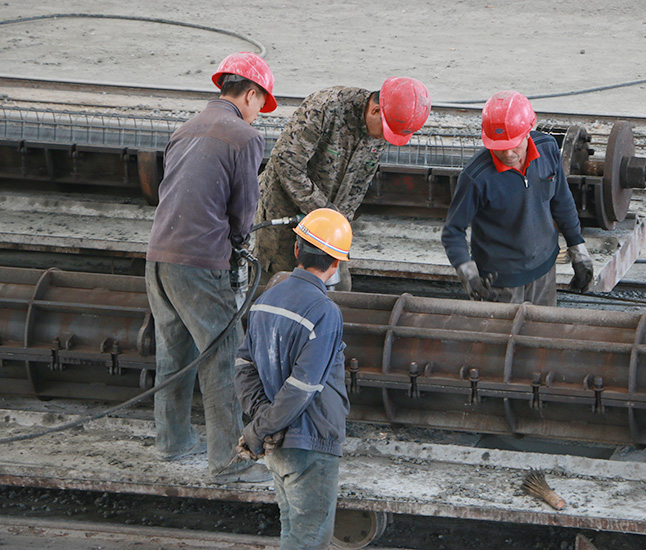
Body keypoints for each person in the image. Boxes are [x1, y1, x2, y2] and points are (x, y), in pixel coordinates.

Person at [144, 52, 277, 483]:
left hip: (159, 256)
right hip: (199, 263)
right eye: (261, 103)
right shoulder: (243, 136)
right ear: (251, 94)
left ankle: (173, 441)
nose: (259, 114)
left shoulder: (186, 128)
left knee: (174, 351)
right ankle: (228, 460)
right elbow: (243, 208)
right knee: (222, 356)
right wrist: (239, 242)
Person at [234, 208, 352, 549]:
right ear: (336, 265)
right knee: (308, 539)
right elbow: (303, 387)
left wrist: (262, 420)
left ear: (297, 250)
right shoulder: (324, 311)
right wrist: (262, 427)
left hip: (277, 444)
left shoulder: (265, 300)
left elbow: (244, 366)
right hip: (311, 443)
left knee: (293, 532)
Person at [253, 77, 431, 290]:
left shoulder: (381, 130)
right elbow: (286, 162)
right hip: (284, 216)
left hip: (328, 222)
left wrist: (339, 222)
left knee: (339, 288)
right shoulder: (325, 108)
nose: (386, 139)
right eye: (386, 132)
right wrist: (323, 210)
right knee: (276, 287)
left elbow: (360, 183)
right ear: (375, 111)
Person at [441, 90, 593, 306]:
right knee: (503, 338)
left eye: (515, 144)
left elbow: (561, 199)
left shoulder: (548, 149)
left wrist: (577, 246)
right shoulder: (476, 177)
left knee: (541, 334)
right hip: (500, 281)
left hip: (544, 270)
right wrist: (468, 272)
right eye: (500, 147)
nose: (508, 153)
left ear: (528, 131)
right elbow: (452, 231)